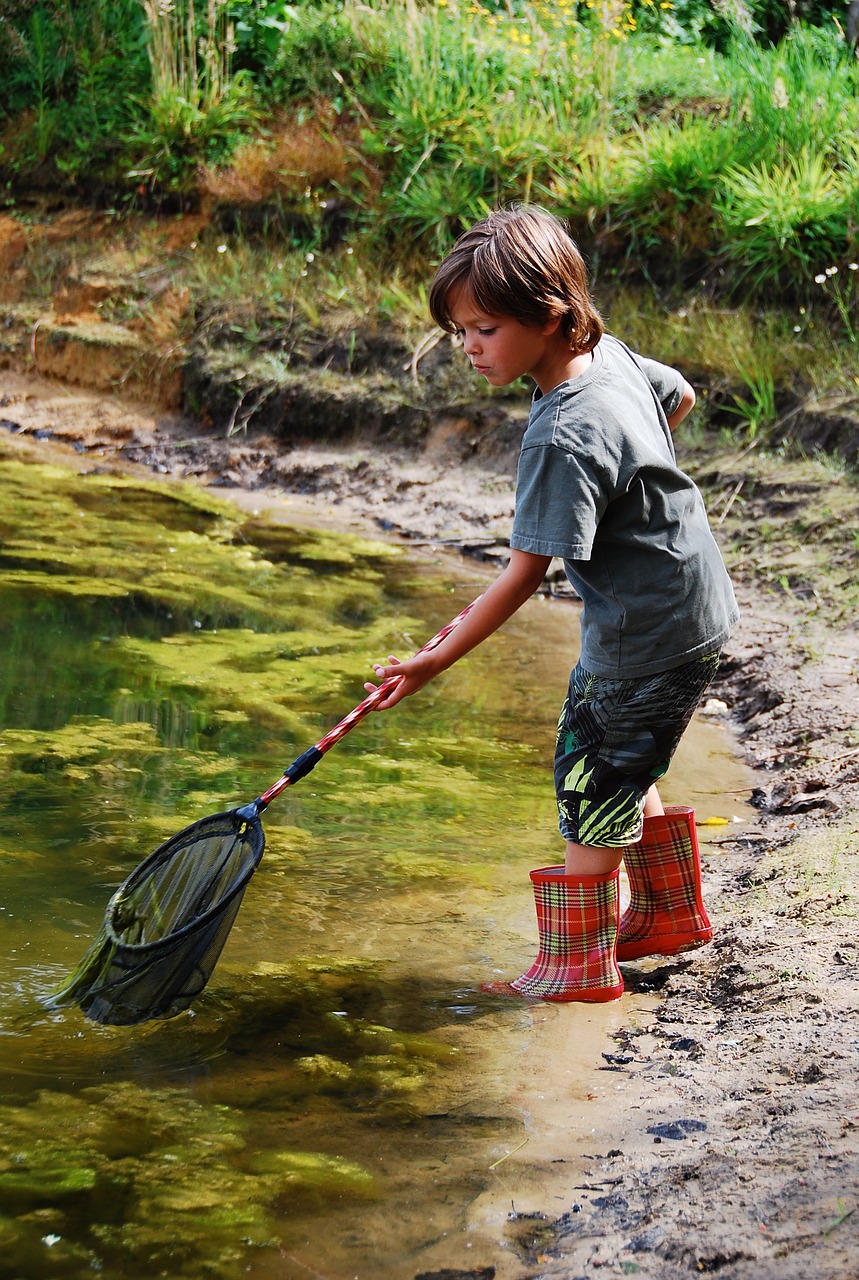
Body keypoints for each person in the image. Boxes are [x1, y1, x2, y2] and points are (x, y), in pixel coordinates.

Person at [365, 206, 738, 1003]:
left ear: (551, 317)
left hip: (644, 631)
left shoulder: (562, 434)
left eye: (484, 329)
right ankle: (668, 915)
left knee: (587, 778)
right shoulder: (606, 357)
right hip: (690, 603)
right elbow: (680, 397)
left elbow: (524, 572)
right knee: (624, 756)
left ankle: (577, 964)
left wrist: (434, 659)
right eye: (459, 330)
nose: (466, 346)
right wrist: (635, 493)